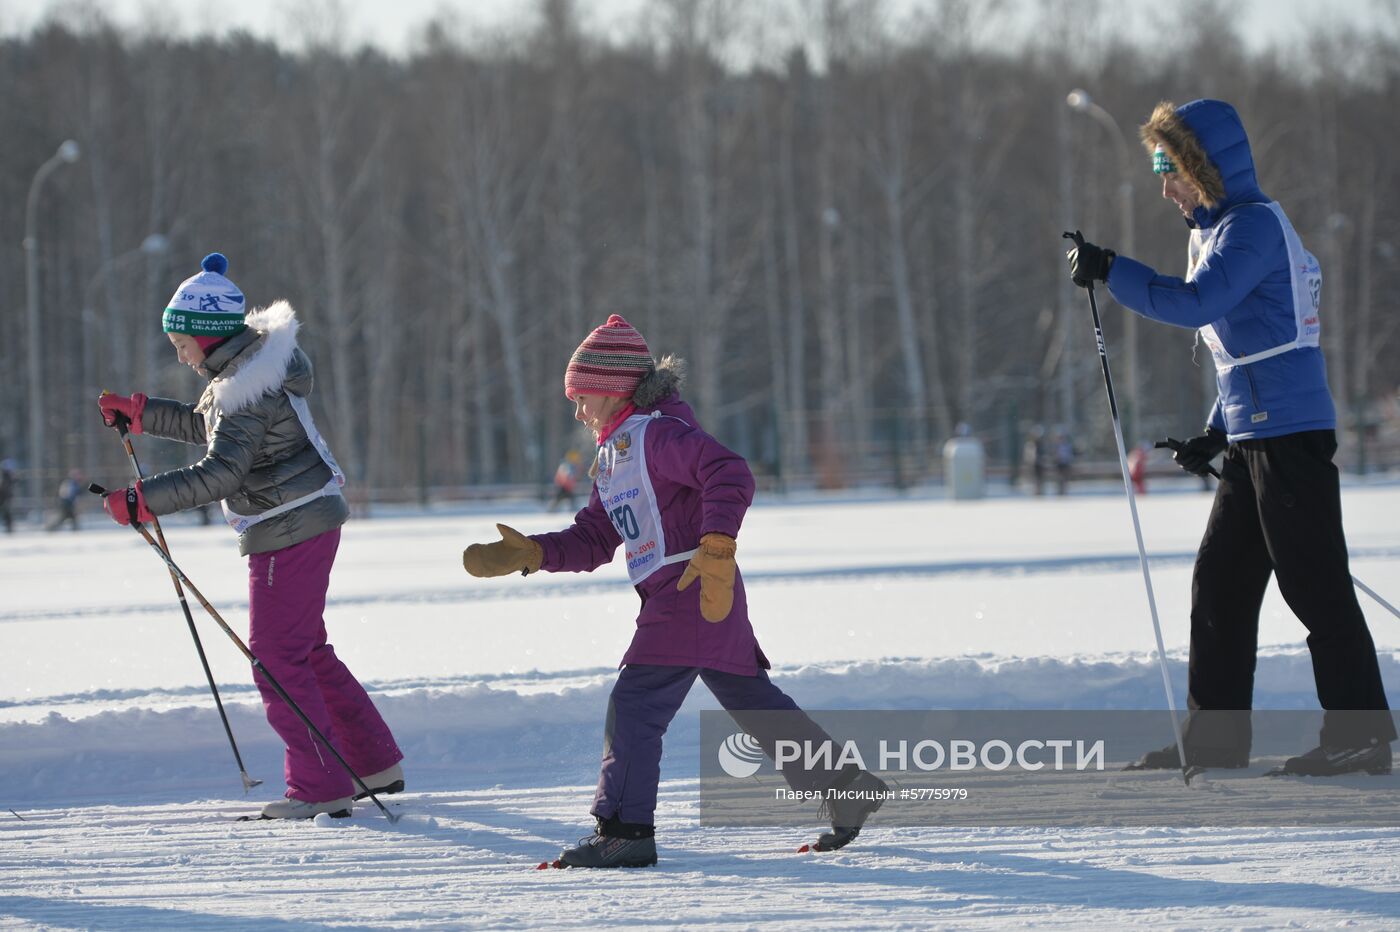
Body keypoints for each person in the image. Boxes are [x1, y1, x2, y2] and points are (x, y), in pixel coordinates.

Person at [461, 314, 887, 867]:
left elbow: (729, 472)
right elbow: (594, 537)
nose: (576, 409)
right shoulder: (615, 455)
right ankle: (844, 788)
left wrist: (715, 546)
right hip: (700, 593)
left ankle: (626, 831)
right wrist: (534, 552)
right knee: (752, 702)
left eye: (582, 395)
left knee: (636, 706)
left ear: (613, 391)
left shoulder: (657, 433)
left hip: (690, 586)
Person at [1066, 99, 1394, 776]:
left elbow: (1197, 305)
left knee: (1317, 590)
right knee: (1219, 587)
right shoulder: (1218, 233)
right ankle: (1216, 740)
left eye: (1171, 171)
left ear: (1205, 170)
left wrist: (1112, 270)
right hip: (1256, 435)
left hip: (1291, 438)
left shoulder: (1250, 230)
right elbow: (1251, 347)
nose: (1164, 188)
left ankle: (1361, 738)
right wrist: (1217, 433)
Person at [96, 252, 404, 817]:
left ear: (209, 336)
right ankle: (370, 760)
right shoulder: (244, 375)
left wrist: (142, 501)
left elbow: (222, 472)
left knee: (276, 659)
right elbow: (212, 430)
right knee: (305, 650)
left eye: (182, 342)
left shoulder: (246, 385)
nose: (180, 354)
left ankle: (320, 785)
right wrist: (143, 416)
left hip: (285, 526)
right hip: (302, 516)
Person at [548, 448, 583, 512]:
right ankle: (551, 509)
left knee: (569, 497)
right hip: (563, 486)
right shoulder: (566, 466)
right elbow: (566, 476)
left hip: (566, 486)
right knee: (559, 497)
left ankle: (573, 507)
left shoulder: (570, 466)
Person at [0, 459, 15, 533]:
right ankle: (9, 527)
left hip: (5, 496)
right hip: (5, 496)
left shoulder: (6, 476)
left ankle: (9, 527)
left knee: (7, 512)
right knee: (7, 512)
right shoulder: (6, 476)